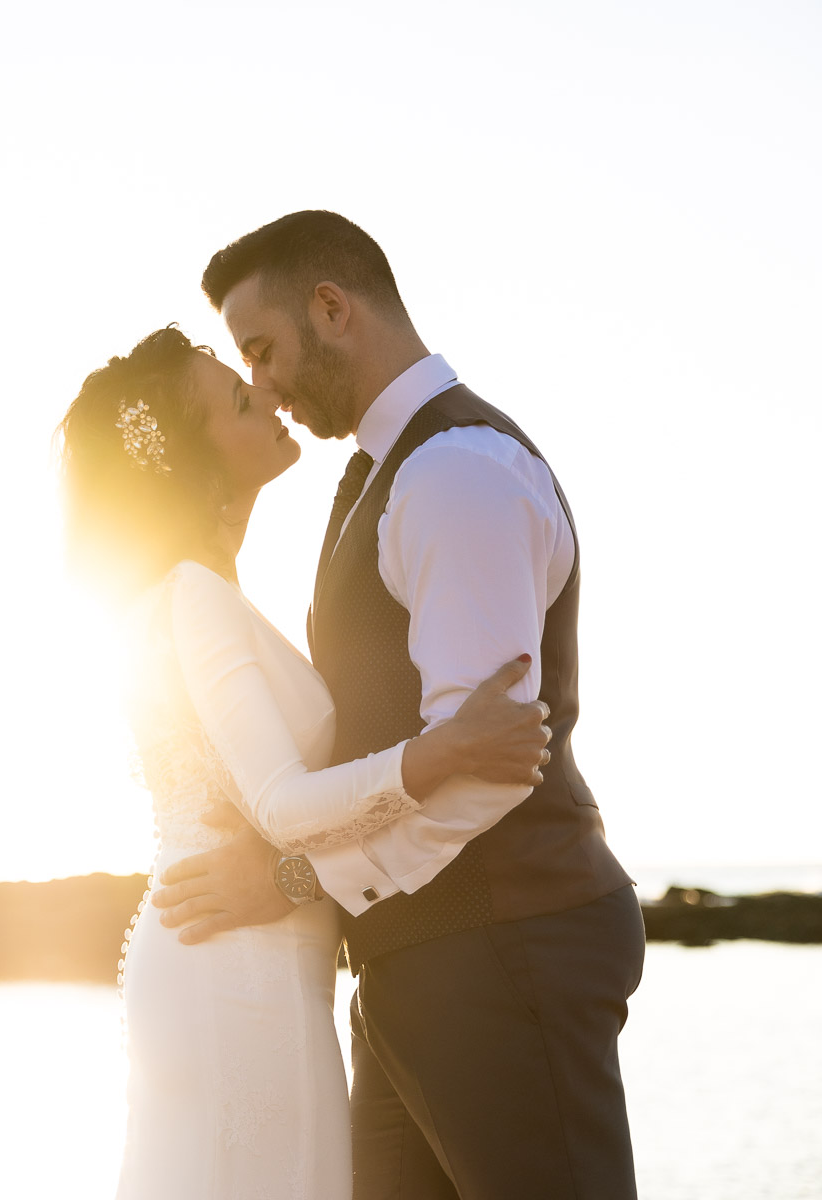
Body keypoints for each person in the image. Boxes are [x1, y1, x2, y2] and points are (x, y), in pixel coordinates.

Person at [151, 211, 645, 1199]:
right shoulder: (383, 473)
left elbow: (488, 770)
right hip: (423, 959)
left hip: (508, 949)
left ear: (332, 309)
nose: (263, 383)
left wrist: (299, 878)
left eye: (263, 348)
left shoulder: (456, 472)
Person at [57, 326, 552, 1199]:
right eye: (241, 399)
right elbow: (283, 806)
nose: (268, 393)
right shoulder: (195, 598)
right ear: (193, 455)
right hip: (236, 970)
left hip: (237, 953)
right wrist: (445, 751)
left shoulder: (189, 593)